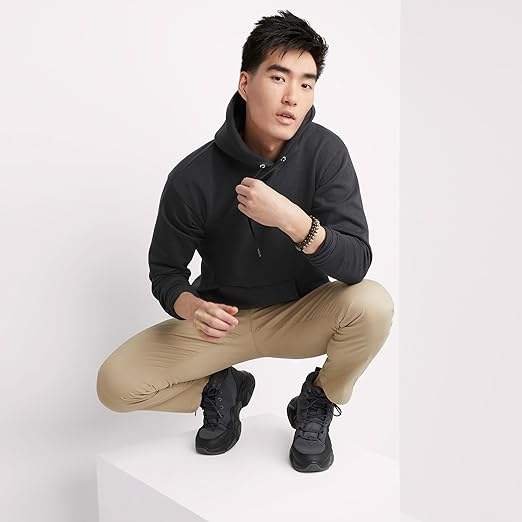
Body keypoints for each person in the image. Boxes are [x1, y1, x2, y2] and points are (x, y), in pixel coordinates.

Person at [96, 9, 394, 473]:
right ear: (245, 83)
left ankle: (318, 399)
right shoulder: (193, 176)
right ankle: (221, 389)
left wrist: (293, 221)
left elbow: (356, 264)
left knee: (373, 304)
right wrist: (192, 307)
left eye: (307, 83)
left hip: (303, 314)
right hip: (224, 323)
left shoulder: (326, 152)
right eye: (278, 77)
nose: (292, 97)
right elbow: (166, 273)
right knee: (115, 384)